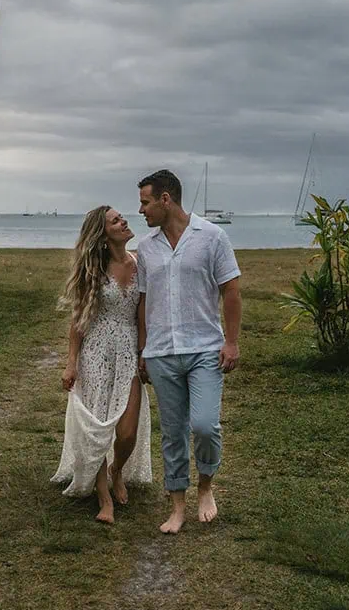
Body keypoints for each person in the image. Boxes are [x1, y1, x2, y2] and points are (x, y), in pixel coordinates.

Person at [136, 169, 242, 534]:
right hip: (161, 352)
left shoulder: (212, 237)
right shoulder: (146, 248)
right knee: (173, 432)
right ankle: (177, 505)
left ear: (166, 200)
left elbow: (231, 291)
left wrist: (231, 341)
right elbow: (143, 302)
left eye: (146, 202)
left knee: (204, 425)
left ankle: (206, 485)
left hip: (204, 350)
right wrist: (143, 349)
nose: (141, 210)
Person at [52, 206, 152, 523]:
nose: (124, 221)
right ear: (103, 232)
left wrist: (144, 354)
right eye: (115, 220)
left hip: (128, 354)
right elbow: (78, 320)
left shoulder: (140, 263)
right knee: (97, 429)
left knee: (127, 433)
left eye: (122, 217)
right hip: (95, 352)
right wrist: (71, 364)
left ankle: (116, 469)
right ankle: (103, 497)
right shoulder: (92, 270)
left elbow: (142, 318)